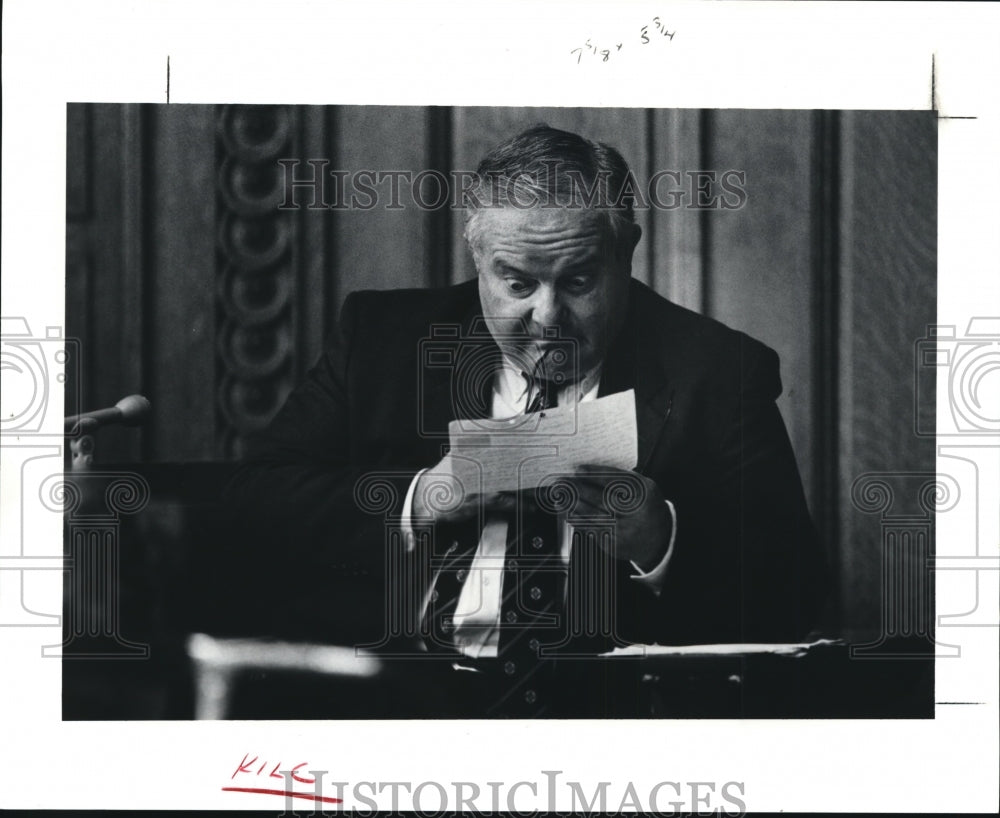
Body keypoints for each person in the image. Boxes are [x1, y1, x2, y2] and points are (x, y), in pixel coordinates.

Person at [223, 124, 827, 717]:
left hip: (610, 719)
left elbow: (796, 596)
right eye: (517, 283)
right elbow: (253, 502)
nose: (547, 317)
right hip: (400, 702)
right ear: (477, 258)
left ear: (627, 251)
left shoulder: (718, 372)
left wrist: (658, 541)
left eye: (580, 281)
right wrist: (420, 499)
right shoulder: (381, 341)